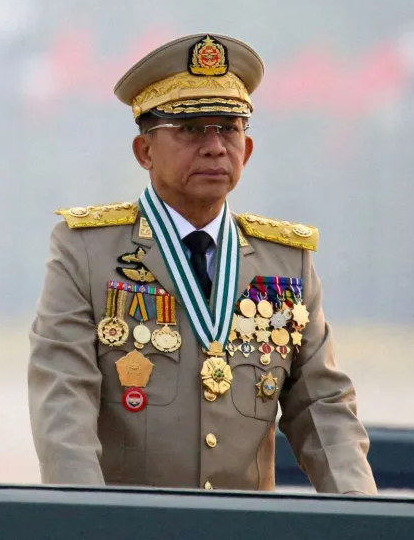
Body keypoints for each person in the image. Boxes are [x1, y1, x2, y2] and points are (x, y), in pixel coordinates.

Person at [27, 33, 377, 494]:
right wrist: (86, 518)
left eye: (229, 128)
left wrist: (359, 514)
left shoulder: (286, 259)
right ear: (145, 152)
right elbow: (63, 403)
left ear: (247, 151)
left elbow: (322, 406)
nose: (215, 147)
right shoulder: (87, 251)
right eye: (191, 129)